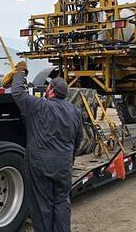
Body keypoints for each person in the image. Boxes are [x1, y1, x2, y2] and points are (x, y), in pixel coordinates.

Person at [10, 61, 83, 232]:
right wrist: (69, 158)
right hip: (63, 166)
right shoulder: (75, 112)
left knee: (43, 204)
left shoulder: (39, 106)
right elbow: (78, 140)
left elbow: (17, 92)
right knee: (62, 202)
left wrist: (21, 72)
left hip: (41, 165)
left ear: (50, 90)